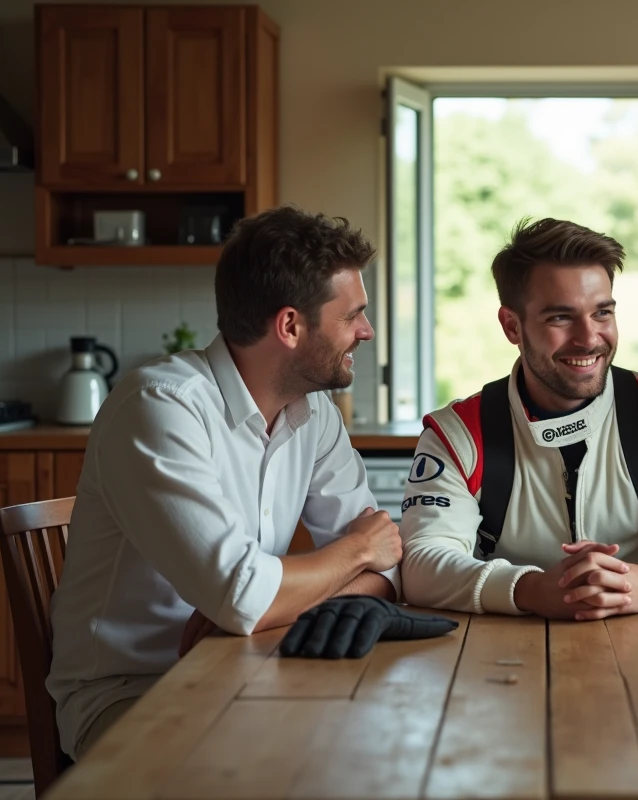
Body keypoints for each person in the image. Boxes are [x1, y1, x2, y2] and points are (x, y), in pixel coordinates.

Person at [47, 206, 403, 760]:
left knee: (373, 748)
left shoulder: (316, 415)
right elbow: (255, 594)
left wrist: (280, 601)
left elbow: (388, 571)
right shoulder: (161, 407)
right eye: (352, 315)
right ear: (289, 326)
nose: (367, 331)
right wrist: (354, 550)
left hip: (254, 665)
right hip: (135, 691)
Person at [398, 218, 638, 619]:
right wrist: (528, 589)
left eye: (602, 313)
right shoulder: (458, 433)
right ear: (512, 326)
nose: (589, 338)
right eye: (560, 318)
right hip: (502, 661)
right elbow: (420, 563)